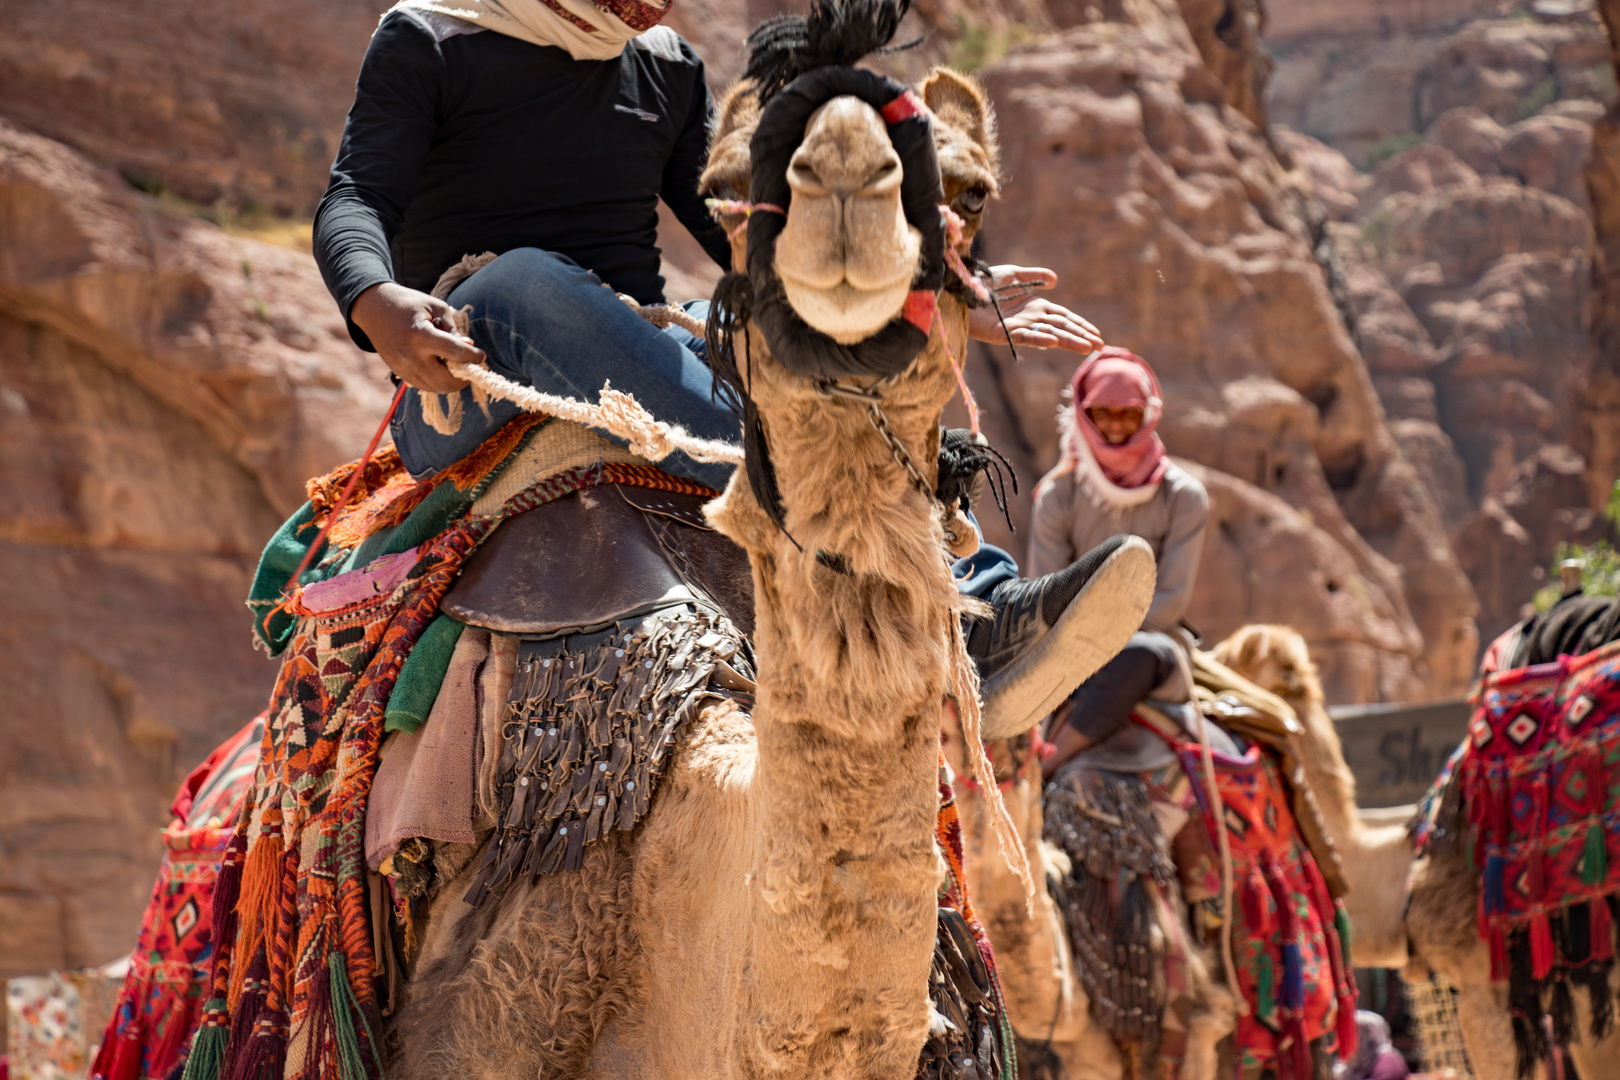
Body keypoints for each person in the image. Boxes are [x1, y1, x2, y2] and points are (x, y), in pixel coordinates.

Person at [311, 0, 1137, 737]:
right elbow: (354, 197)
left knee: (770, 331)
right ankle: (840, 529)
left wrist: (935, 285)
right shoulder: (429, 36)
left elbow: (754, 237)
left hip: (634, 347)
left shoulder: (664, 66)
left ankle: (981, 605)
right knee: (530, 279)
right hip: (470, 375)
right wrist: (378, 301)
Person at [1028, 348, 1211, 776]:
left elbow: (1170, 601)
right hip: (1068, 647)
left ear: (1148, 415)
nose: (1113, 425)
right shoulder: (1058, 496)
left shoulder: (1183, 496)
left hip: (1151, 645)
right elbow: (1044, 590)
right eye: (1102, 413)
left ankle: (1050, 762)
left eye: (1126, 414)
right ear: (1084, 414)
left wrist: (1099, 636)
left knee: (1139, 656)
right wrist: (1077, 640)